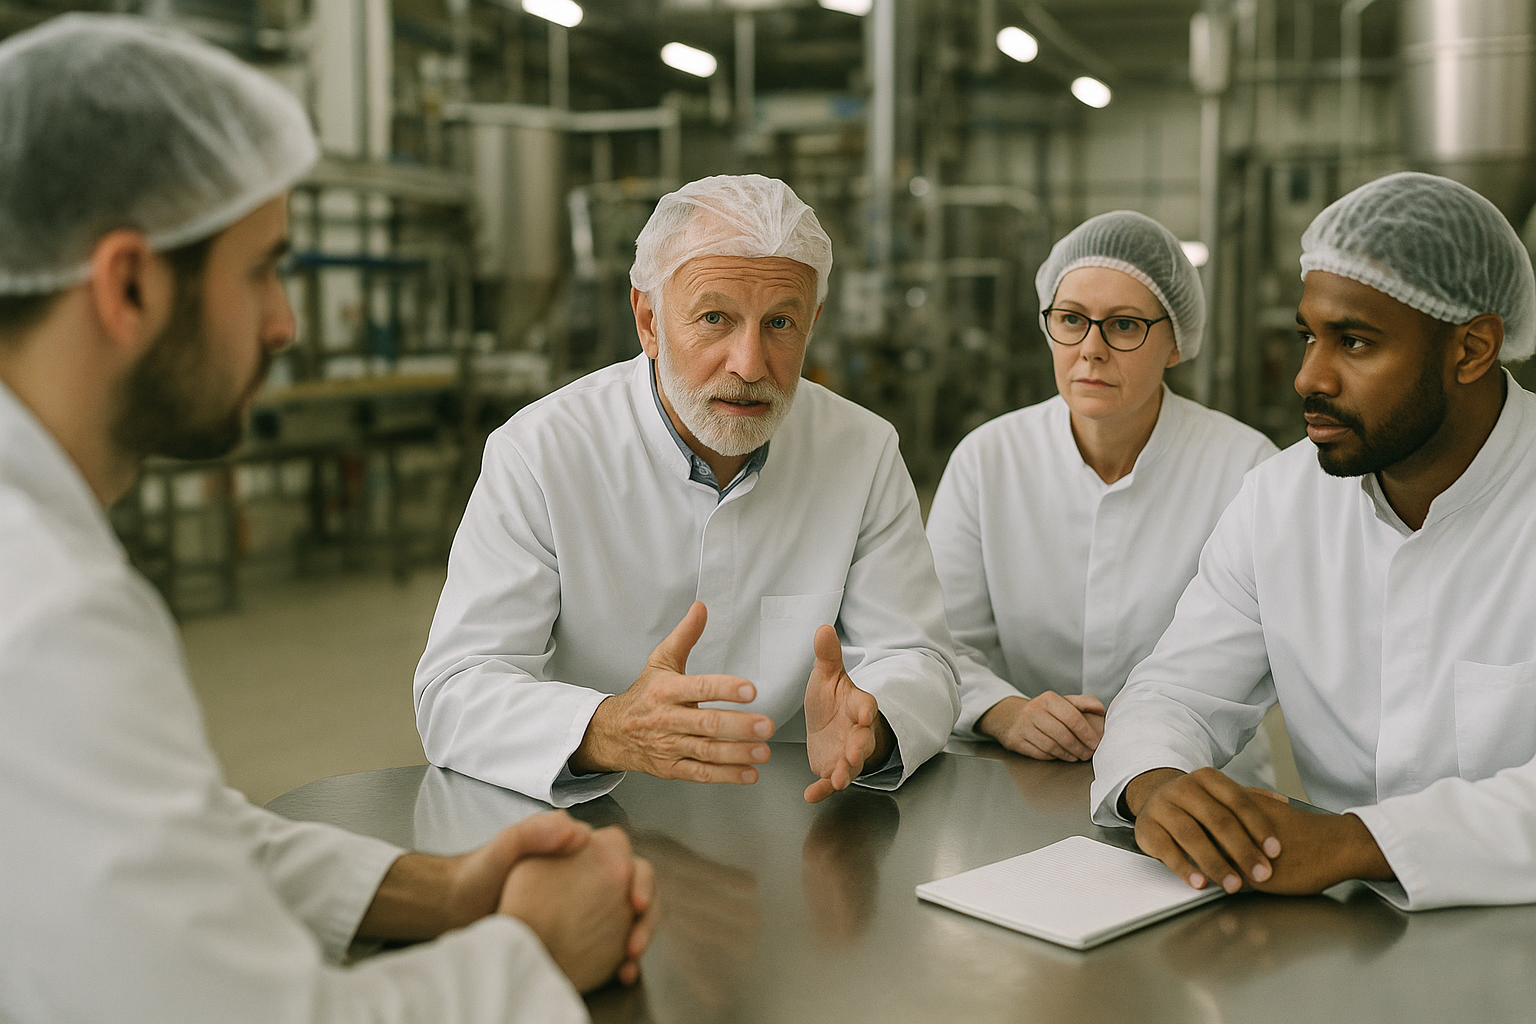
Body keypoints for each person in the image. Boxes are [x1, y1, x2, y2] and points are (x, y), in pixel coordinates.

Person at [0, 16, 654, 1022]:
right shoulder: (46, 614)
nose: (286, 323)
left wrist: (441, 890)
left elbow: (166, 838)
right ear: (128, 284)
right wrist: (534, 949)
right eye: (262, 269)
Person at [414, 174, 960, 807]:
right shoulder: (541, 453)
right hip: (598, 818)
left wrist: (875, 723)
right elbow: (456, 689)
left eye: (780, 323)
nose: (749, 365)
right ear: (649, 321)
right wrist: (607, 730)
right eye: (714, 318)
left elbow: (918, 658)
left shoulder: (861, 451)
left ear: (813, 321)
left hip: (792, 818)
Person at [1090, 171, 1536, 910]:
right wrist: (1157, 781)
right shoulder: (1280, 501)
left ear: (1472, 349)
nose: (1308, 377)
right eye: (1307, 336)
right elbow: (1178, 689)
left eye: (1354, 342)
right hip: (1337, 938)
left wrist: (1354, 843)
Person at [927, 211, 1276, 772]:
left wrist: (1145, 739)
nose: (1091, 348)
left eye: (1124, 325)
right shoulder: (988, 459)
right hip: (1021, 774)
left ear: (1176, 342)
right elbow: (940, 640)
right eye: (1071, 319)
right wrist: (1004, 711)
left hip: (1195, 776)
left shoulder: (1245, 468)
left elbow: (1247, 664)